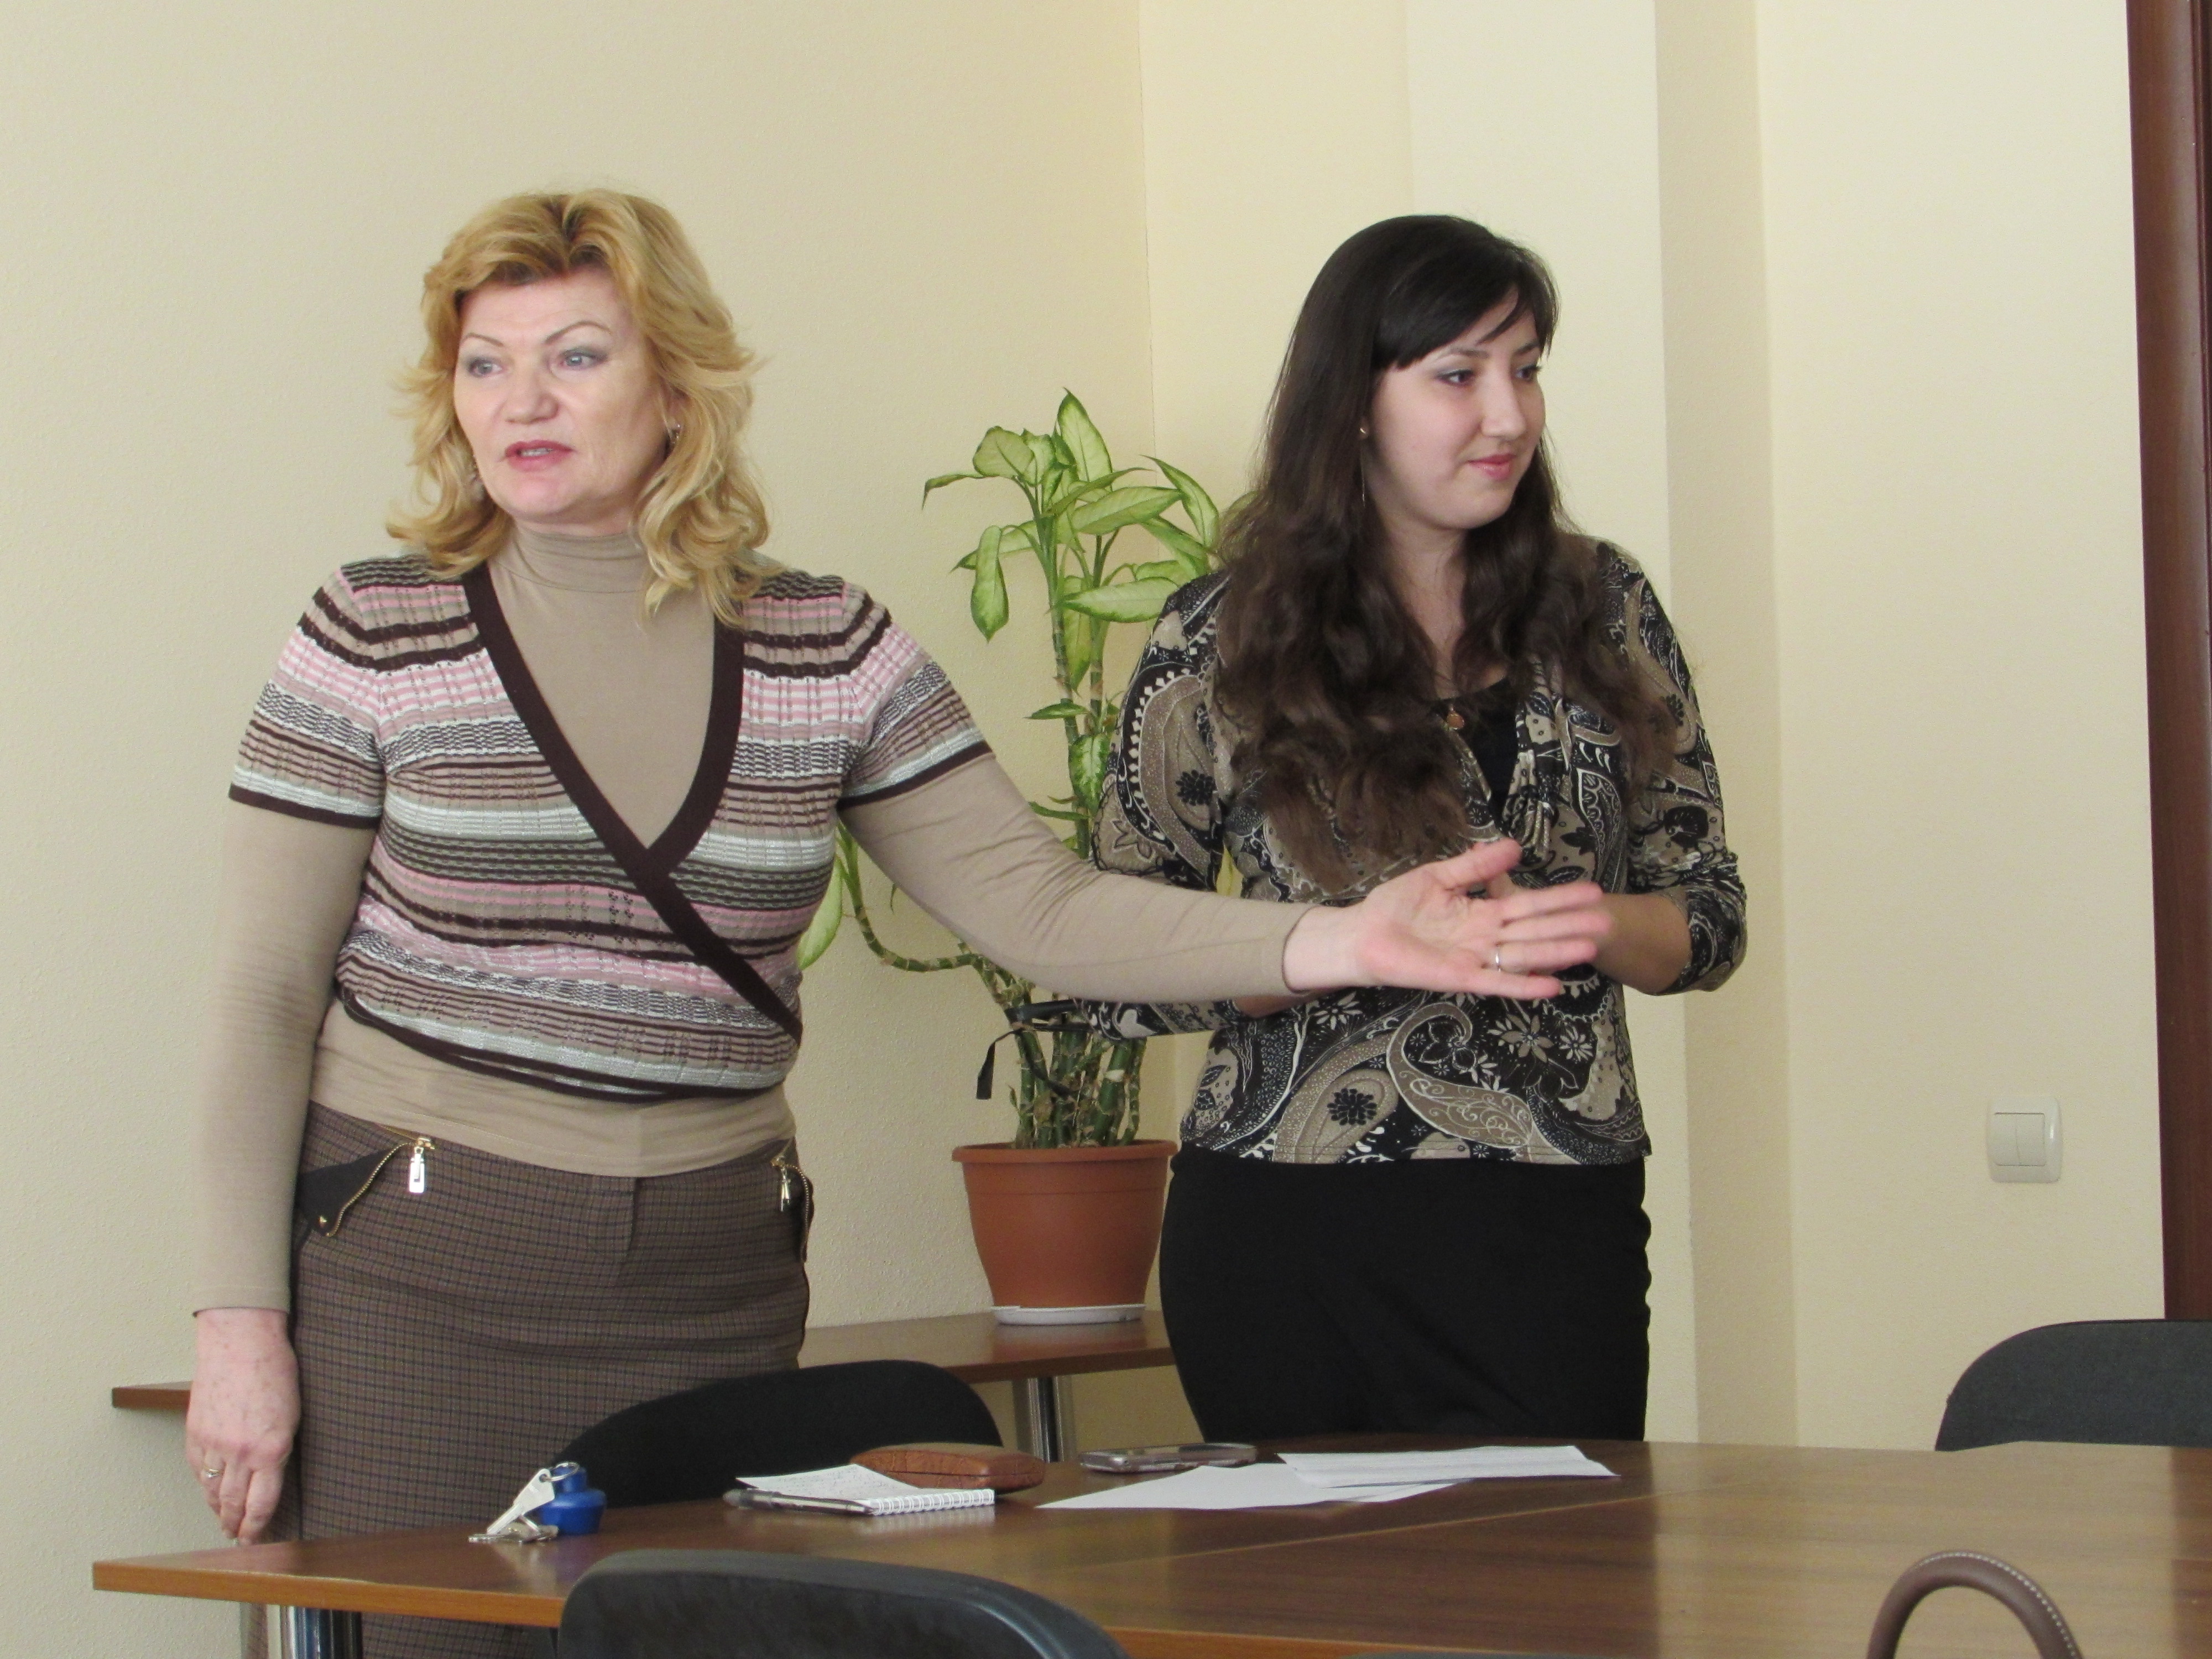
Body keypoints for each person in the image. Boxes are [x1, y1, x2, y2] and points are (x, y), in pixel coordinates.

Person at [183, 191, 1613, 1658]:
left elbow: (1038, 907)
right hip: (421, 1291)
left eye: (577, 357)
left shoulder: (825, 646)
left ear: (676, 388)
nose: (522, 402)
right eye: (485, 365)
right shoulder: (372, 631)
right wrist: (238, 1323)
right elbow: (262, 994)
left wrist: (1342, 943)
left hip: (709, 1293)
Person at [1088, 215, 1747, 1444]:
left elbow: (1708, 916)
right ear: (1353, 402)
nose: (1507, 415)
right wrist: (1334, 946)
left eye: (1525, 370)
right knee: (1294, 1571)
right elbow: (1111, 954)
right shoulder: (1218, 634)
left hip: (1555, 1220)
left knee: (1565, 1564)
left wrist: (1593, 924)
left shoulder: (1604, 606)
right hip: (1286, 1223)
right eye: (1457, 375)